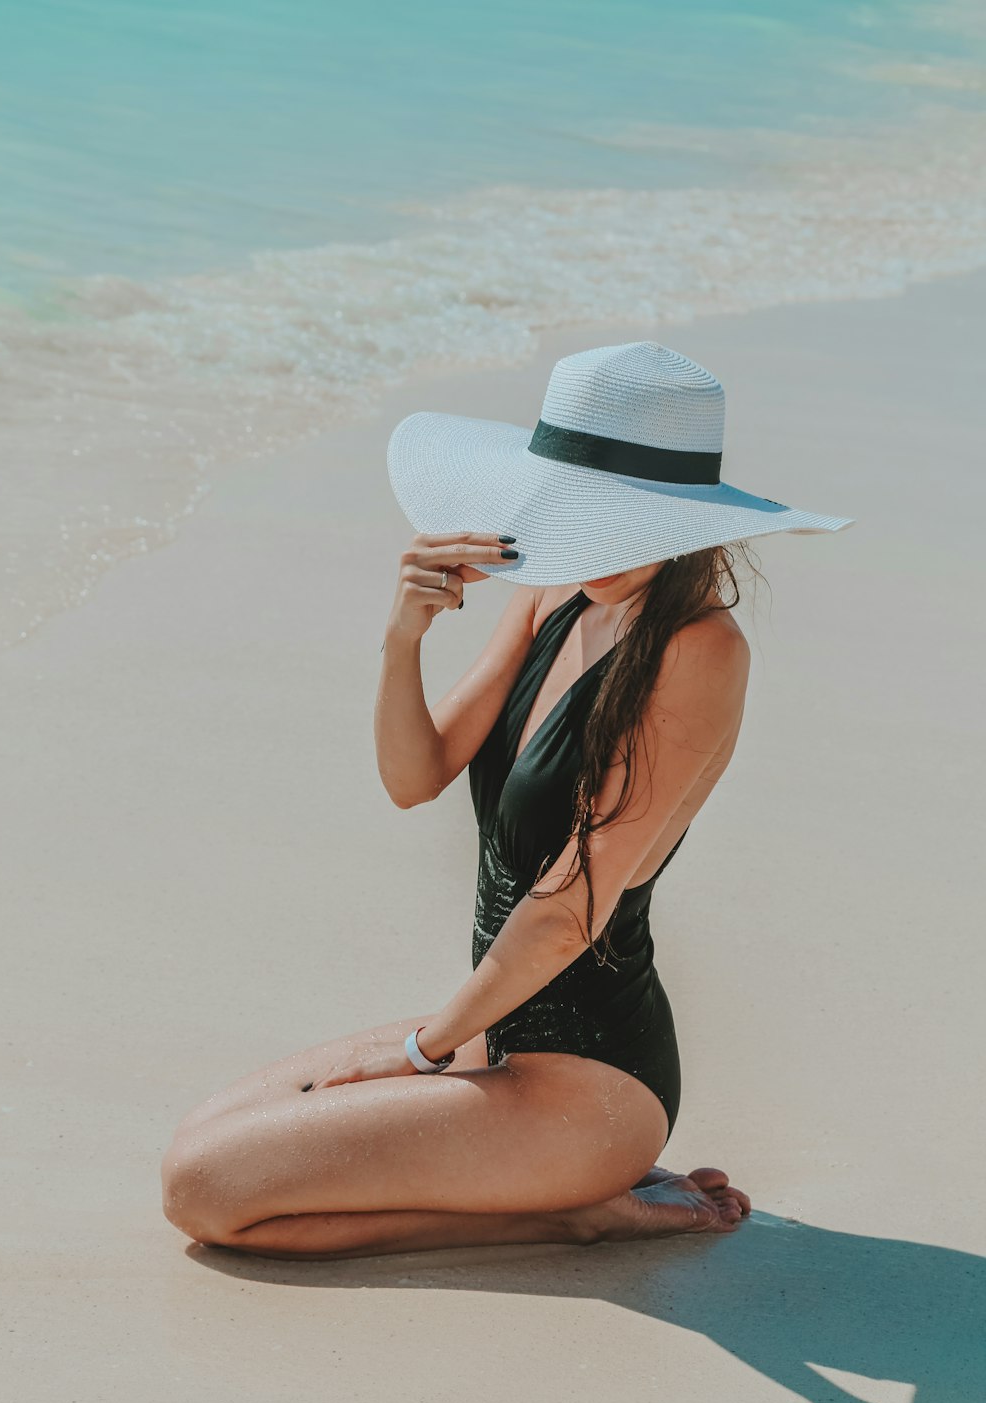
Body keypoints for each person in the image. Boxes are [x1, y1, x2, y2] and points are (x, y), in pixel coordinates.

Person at [161, 342, 855, 1260]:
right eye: (580, 512)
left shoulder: (700, 651)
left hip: (590, 1083)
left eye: (623, 520)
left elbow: (571, 906)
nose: (595, 541)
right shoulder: (556, 592)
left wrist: (422, 1050)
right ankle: (556, 1194)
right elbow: (414, 775)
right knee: (203, 1140)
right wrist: (403, 636)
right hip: (488, 1030)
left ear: (681, 517)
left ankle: (571, 1207)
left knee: (205, 1194)